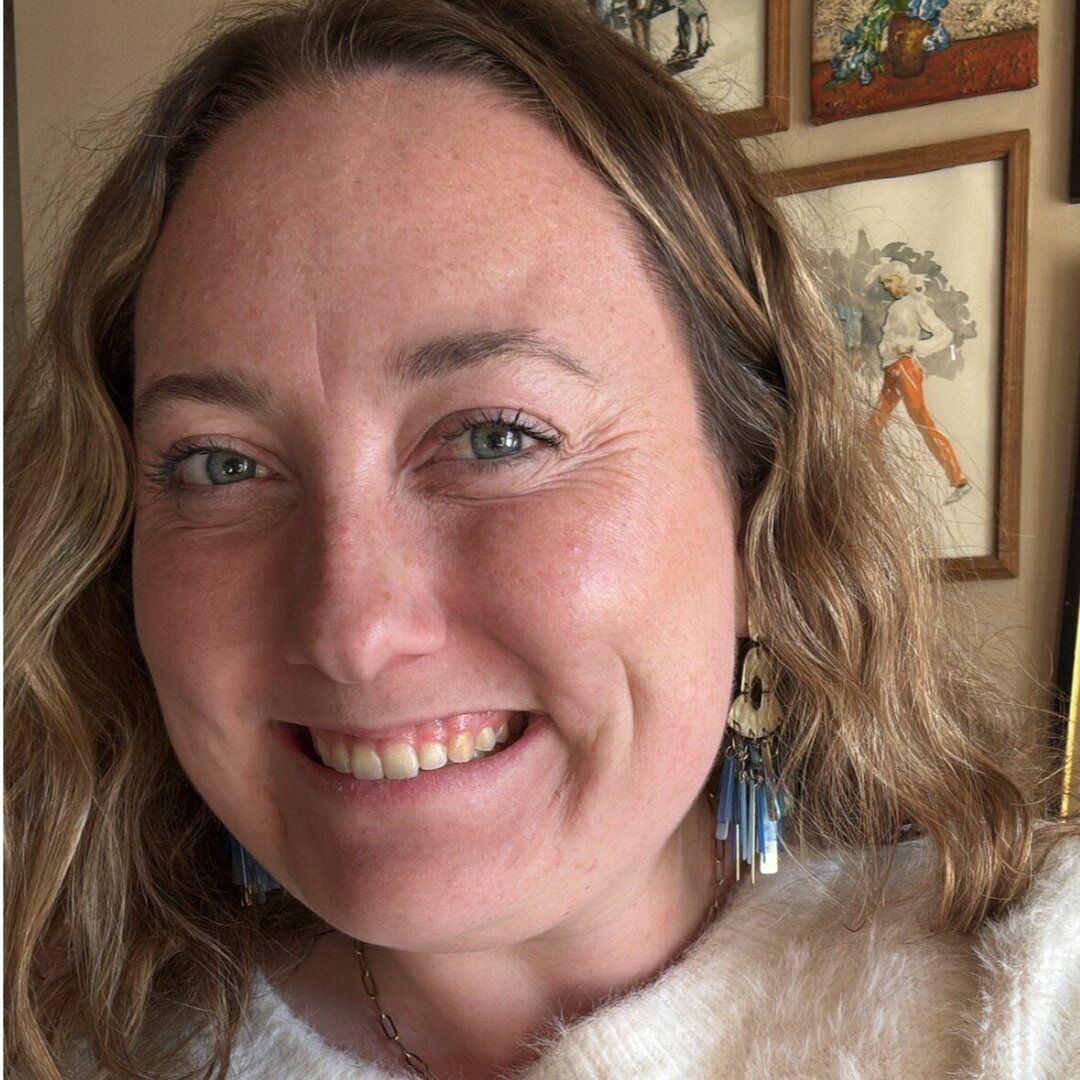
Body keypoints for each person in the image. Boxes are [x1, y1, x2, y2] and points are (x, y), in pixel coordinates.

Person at [5, 1, 1077, 1077]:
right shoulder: (69, 1042)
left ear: (761, 514)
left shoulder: (1031, 998)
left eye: (497, 437)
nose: (352, 632)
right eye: (220, 464)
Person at [869, 260, 972, 504]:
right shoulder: (895, 307)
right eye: (885, 283)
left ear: (901, 278)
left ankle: (958, 479)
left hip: (906, 368)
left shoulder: (916, 303)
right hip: (892, 369)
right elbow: (888, 342)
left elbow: (944, 334)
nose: (887, 287)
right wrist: (889, 350)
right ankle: (867, 482)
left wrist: (914, 347)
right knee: (873, 426)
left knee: (923, 422)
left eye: (890, 281)